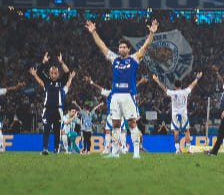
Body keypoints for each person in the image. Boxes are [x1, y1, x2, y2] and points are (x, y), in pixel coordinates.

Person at [85, 18, 158, 159]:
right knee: (115, 124)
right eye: (120, 47)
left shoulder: (134, 59)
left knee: (132, 123)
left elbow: (145, 47)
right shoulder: (115, 59)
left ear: (128, 49)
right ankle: (115, 152)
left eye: (124, 47)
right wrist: (93, 32)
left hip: (128, 95)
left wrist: (151, 34)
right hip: (115, 96)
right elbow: (102, 46)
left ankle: (136, 153)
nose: (122, 49)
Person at [29, 54, 76, 156]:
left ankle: (56, 149)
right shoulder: (47, 81)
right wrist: (44, 62)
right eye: (52, 73)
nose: (54, 75)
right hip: (47, 109)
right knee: (46, 129)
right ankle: (45, 148)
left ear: (58, 74)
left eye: (55, 73)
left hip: (58, 110)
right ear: (49, 74)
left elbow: (67, 72)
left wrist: (61, 62)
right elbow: (39, 71)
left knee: (56, 130)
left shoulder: (61, 82)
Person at [152, 71, 202, 153]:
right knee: (186, 131)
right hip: (184, 114)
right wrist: (197, 78)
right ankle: (189, 149)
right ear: (181, 85)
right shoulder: (185, 92)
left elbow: (164, 88)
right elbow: (192, 85)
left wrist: (157, 81)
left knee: (176, 132)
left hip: (175, 115)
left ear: (175, 86)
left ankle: (177, 150)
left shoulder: (172, 93)